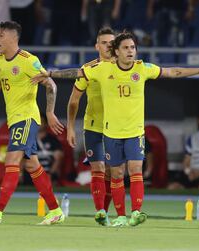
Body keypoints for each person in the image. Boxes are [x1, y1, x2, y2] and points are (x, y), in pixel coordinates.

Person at [32, 31, 199, 227]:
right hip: (110, 131)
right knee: (117, 174)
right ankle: (118, 215)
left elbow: (172, 72)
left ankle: (136, 212)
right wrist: (51, 73)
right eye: (126, 48)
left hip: (135, 132)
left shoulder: (143, 68)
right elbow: (76, 73)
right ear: (117, 52)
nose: (130, 51)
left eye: (133, 48)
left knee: (136, 169)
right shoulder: (102, 69)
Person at [0, 21, 65, 225]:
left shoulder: (28, 60)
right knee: (32, 165)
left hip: (26, 118)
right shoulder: (0, 59)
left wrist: (49, 113)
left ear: (14, 37)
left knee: (12, 160)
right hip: (14, 119)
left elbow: (50, 84)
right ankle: (55, 210)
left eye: (1, 35)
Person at [67, 27, 115, 226]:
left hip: (116, 127)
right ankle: (100, 212)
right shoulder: (87, 69)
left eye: (111, 43)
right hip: (93, 126)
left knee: (113, 172)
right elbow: (74, 101)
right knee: (98, 167)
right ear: (97, 46)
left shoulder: (124, 67)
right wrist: (70, 127)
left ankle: (105, 210)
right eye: (104, 42)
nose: (108, 46)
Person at [23, 113, 63, 185]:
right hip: (31, 174)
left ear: (46, 124)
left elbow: (58, 158)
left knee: (52, 179)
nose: (38, 124)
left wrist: (51, 173)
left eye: (40, 121)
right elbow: (22, 158)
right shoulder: (27, 140)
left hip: (48, 173)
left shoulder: (53, 140)